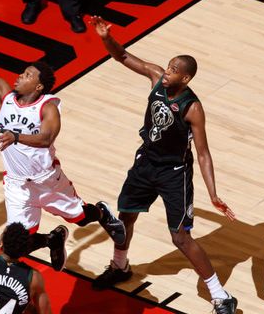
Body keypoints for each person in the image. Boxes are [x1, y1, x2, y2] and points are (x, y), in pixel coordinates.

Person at [0, 0, 126, 272]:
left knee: (81, 217)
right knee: (11, 245)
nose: (18, 77)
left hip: (47, 180)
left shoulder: (48, 107)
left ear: (38, 86)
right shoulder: (4, 97)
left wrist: (15, 136)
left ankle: (102, 213)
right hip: (16, 184)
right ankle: (52, 239)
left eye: (25, 75)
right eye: (21, 73)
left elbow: (47, 138)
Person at [91, 16, 238, 314]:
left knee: (180, 237)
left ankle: (221, 296)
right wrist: (106, 36)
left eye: (174, 70)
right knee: (126, 216)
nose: (167, 71)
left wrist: (213, 194)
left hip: (175, 173)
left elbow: (204, 153)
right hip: (146, 162)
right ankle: (120, 267)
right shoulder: (156, 77)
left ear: (185, 78)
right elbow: (121, 55)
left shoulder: (193, 107)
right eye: (168, 66)